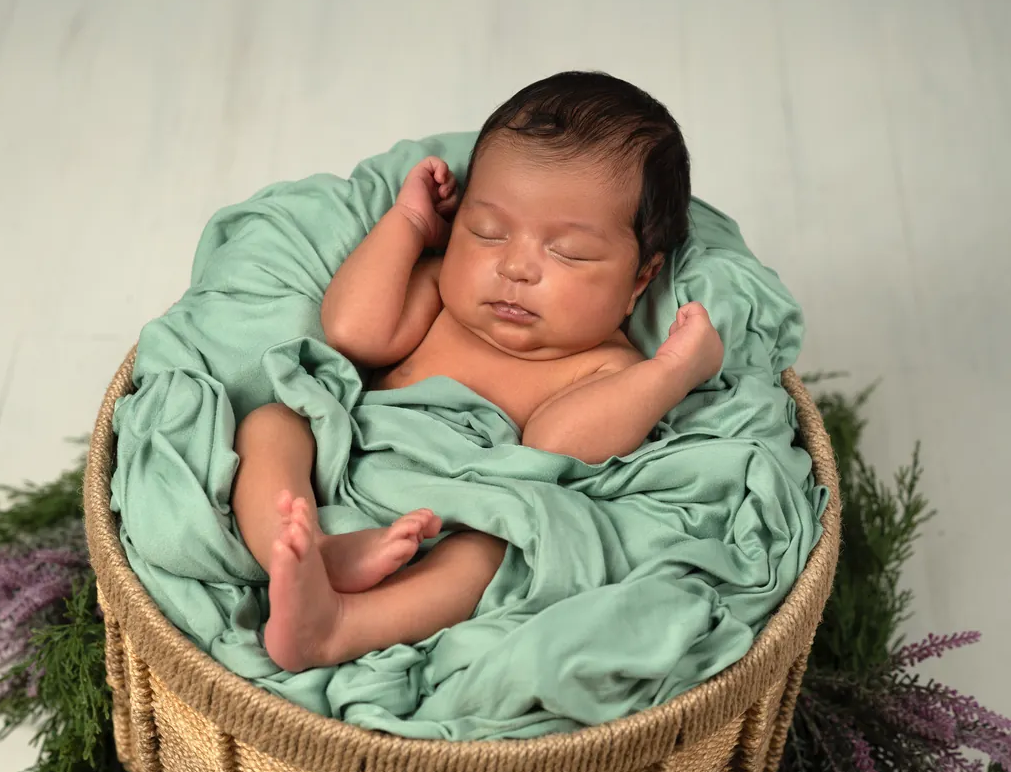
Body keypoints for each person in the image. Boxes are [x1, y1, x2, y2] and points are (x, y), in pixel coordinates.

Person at [233, 71, 725, 672]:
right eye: (487, 232)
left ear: (640, 280)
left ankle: (338, 627)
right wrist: (410, 226)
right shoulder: (444, 293)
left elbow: (556, 443)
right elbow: (353, 331)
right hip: (345, 462)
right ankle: (307, 550)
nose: (515, 267)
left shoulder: (608, 364)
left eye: (567, 251)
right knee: (273, 423)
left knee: (493, 554)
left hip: (456, 515)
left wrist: (673, 369)